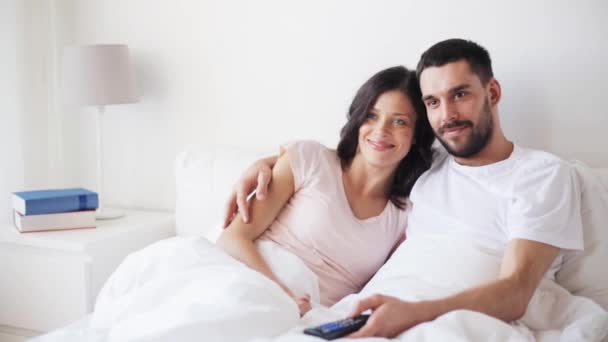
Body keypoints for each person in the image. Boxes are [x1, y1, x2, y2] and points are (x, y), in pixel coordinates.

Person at [223, 38, 584, 337]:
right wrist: (270, 163)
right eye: (433, 102)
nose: (447, 115)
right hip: (363, 312)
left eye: (460, 94)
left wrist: (411, 313)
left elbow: (517, 291)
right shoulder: (428, 170)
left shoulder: (542, 174)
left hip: (438, 317)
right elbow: (354, 158)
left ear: (492, 91)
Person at [217, 65, 435, 316]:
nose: (381, 130)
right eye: (371, 116)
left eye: (399, 121)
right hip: (251, 279)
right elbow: (233, 238)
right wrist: (283, 296)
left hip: (312, 315)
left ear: (417, 134)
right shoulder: (310, 159)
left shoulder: (406, 213)